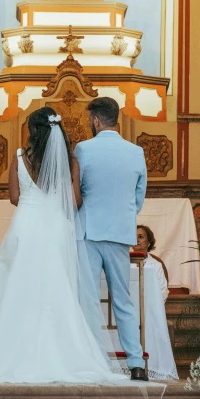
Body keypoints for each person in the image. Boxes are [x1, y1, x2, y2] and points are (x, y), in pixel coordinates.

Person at [0, 106, 128, 384]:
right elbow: (75, 201)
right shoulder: (70, 160)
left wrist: (33, 200)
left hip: (25, 226)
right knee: (57, 289)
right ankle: (62, 354)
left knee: (18, 287)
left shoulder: (18, 157)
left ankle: (12, 354)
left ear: (32, 130)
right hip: (56, 228)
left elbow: (15, 197)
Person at [74, 97, 148, 381]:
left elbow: (76, 191)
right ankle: (136, 363)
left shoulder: (83, 148)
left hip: (89, 231)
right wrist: (122, 216)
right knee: (123, 301)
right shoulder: (136, 151)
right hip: (119, 232)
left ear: (95, 120)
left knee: (89, 299)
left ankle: (95, 361)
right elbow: (138, 196)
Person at [134, 225, 178, 381]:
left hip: (151, 312)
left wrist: (151, 307)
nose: (137, 239)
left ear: (148, 241)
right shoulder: (124, 262)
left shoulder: (156, 265)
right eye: (135, 236)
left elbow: (163, 290)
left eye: (141, 236)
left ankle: (154, 367)